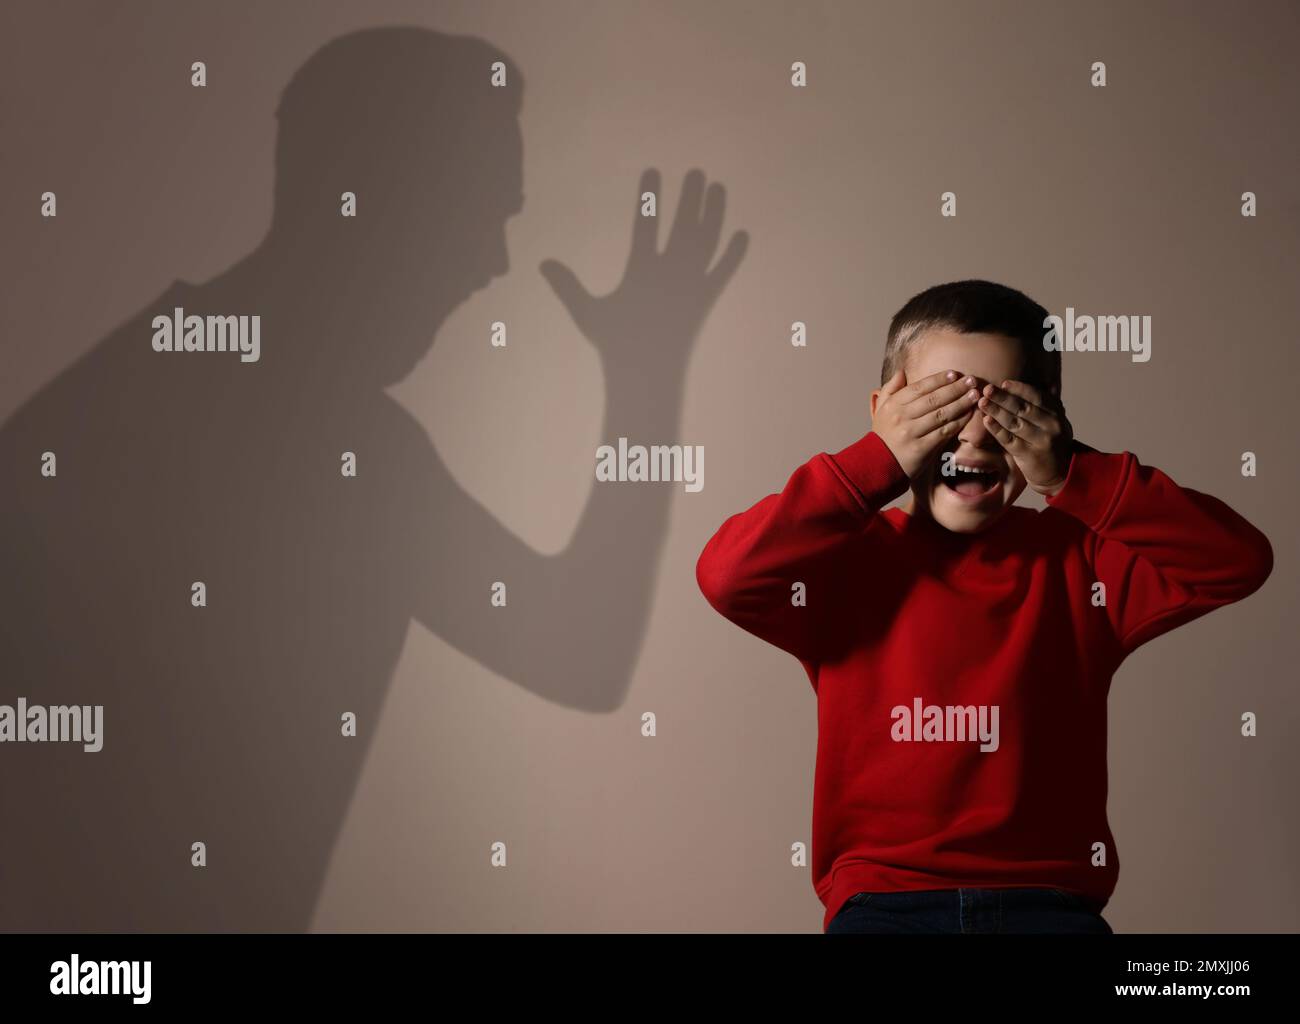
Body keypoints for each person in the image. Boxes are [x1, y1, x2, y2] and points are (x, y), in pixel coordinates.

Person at [695, 279, 1273, 933]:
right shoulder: (838, 561)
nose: (972, 437)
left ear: (1048, 420)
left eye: (1006, 410)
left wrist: (1070, 475)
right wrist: (873, 462)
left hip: (1050, 903)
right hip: (883, 903)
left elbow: (1237, 561)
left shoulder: (1083, 562)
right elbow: (726, 575)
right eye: (941, 405)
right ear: (885, 409)